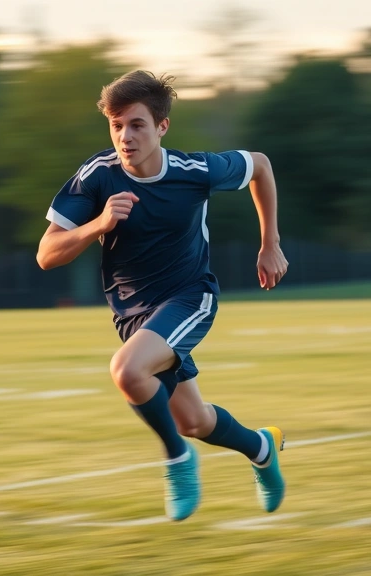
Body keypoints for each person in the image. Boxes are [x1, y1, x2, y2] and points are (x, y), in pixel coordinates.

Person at [36, 70, 288, 522]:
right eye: (116, 126)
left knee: (127, 370)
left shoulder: (196, 172)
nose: (125, 137)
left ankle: (177, 460)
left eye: (137, 125)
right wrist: (98, 224)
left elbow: (262, 166)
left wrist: (270, 243)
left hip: (190, 297)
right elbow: (46, 254)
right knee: (195, 421)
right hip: (133, 315)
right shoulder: (97, 176)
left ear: (162, 126)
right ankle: (262, 448)